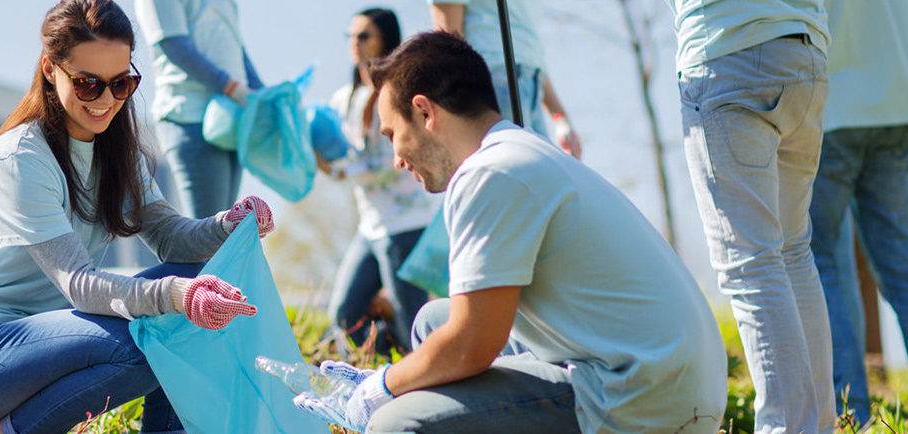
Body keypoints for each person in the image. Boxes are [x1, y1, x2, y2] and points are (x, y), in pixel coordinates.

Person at [292, 31, 727, 433]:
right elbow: (465, 329)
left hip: (639, 396)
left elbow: (472, 344)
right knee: (431, 322)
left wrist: (382, 387)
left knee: (397, 426)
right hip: (664, 375)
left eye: (392, 134)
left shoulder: (491, 174)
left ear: (424, 112)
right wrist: (398, 382)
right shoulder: (518, 152)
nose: (396, 159)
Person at [0, 1, 273, 433]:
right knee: (158, 337)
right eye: (88, 84)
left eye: (121, 83)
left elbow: (171, 238)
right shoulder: (20, 159)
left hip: (52, 342)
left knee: (191, 287)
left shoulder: (116, 152)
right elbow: (79, 284)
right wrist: (178, 296)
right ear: (50, 69)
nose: (106, 100)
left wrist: (226, 225)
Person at [667, 0, 834, 431]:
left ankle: (788, 426)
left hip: (728, 53)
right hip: (804, 52)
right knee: (793, 254)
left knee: (752, 265)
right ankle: (819, 424)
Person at [811, 0, 908, 424]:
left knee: (825, 266)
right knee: (901, 264)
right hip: (899, 100)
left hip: (833, 108)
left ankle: (851, 411)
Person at [322, 7, 439, 354]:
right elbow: (340, 152)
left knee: (413, 321)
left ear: (384, 39)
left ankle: (428, 380)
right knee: (344, 315)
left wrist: (345, 170)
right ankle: (392, 371)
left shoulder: (400, 92)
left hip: (406, 222)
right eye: (351, 36)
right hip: (370, 226)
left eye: (364, 36)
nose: (354, 44)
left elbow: (398, 157)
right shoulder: (344, 98)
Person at [133, 0, 264, 218]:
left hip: (233, 119)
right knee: (209, 232)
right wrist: (230, 87)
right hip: (190, 118)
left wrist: (263, 95)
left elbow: (237, 49)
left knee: (225, 233)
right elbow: (174, 45)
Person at [427, 0, 581, 157]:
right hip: (495, 81)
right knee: (519, 172)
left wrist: (560, 117)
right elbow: (448, 44)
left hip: (526, 82)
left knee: (533, 174)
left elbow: (526, 53)